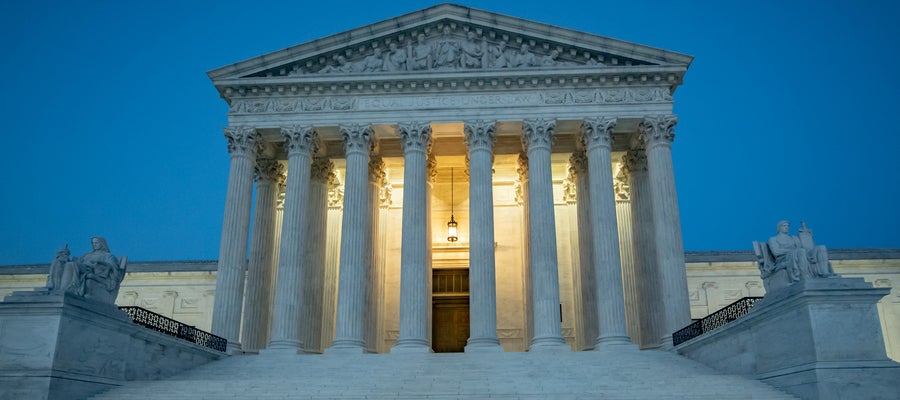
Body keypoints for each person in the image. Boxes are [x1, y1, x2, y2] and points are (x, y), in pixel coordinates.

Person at [53, 237, 125, 303]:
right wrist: (65, 256)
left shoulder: (108, 256)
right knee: (60, 263)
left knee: (71, 265)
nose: (94, 245)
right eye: (93, 243)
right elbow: (78, 261)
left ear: (102, 244)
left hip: (93, 271)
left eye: (96, 243)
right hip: (82, 268)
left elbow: (112, 267)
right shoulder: (87, 255)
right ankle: (56, 287)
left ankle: (68, 289)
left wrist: (97, 264)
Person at [767, 221, 837, 281]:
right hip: (784, 258)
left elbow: (806, 248)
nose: (787, 227)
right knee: (801, 252)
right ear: (779, 228)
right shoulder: (773, 239)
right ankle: (804, 275)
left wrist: (806, 236)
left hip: (800, 254)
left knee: (821, 248)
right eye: (784, 226)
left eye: (788, 226)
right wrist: (793, 250)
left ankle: (824, 272)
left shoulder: (794, 238)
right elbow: (776, 252)